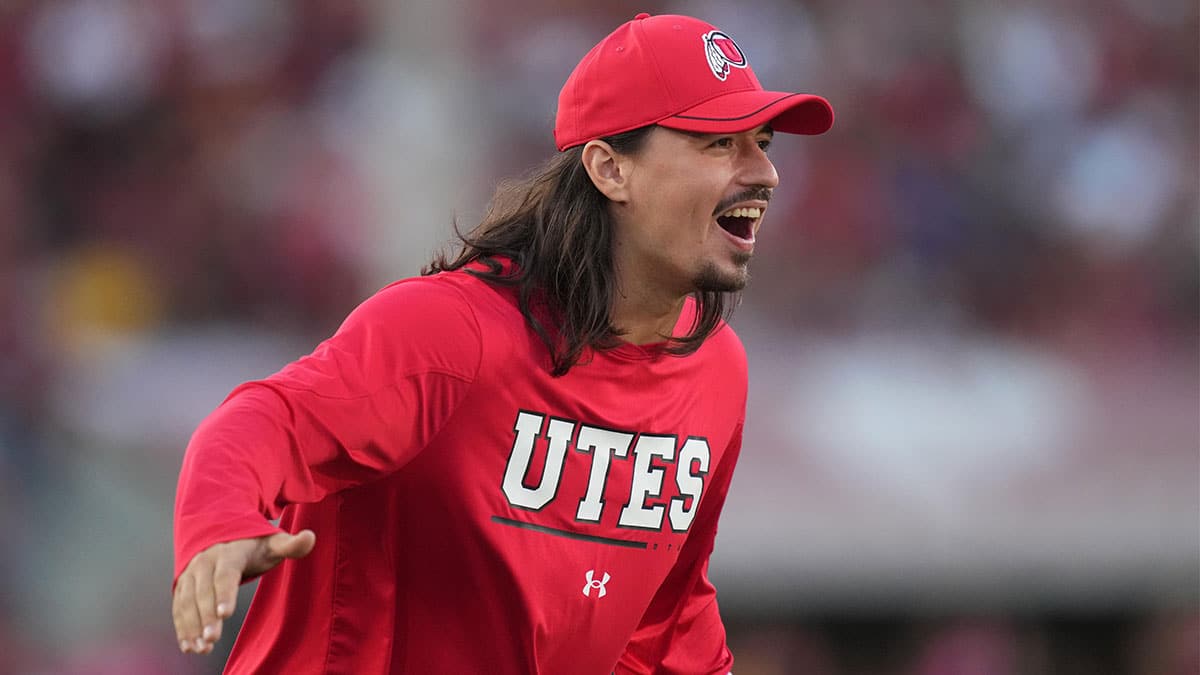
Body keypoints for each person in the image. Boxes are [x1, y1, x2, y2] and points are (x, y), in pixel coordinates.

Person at [171, 11, 833, 674]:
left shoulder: (716, 372)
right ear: (610, 169)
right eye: (719, 144)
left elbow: (665, 621)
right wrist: (222, 523)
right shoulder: (453, 334)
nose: (765, 173)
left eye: (763, 142)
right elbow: (266, 419)